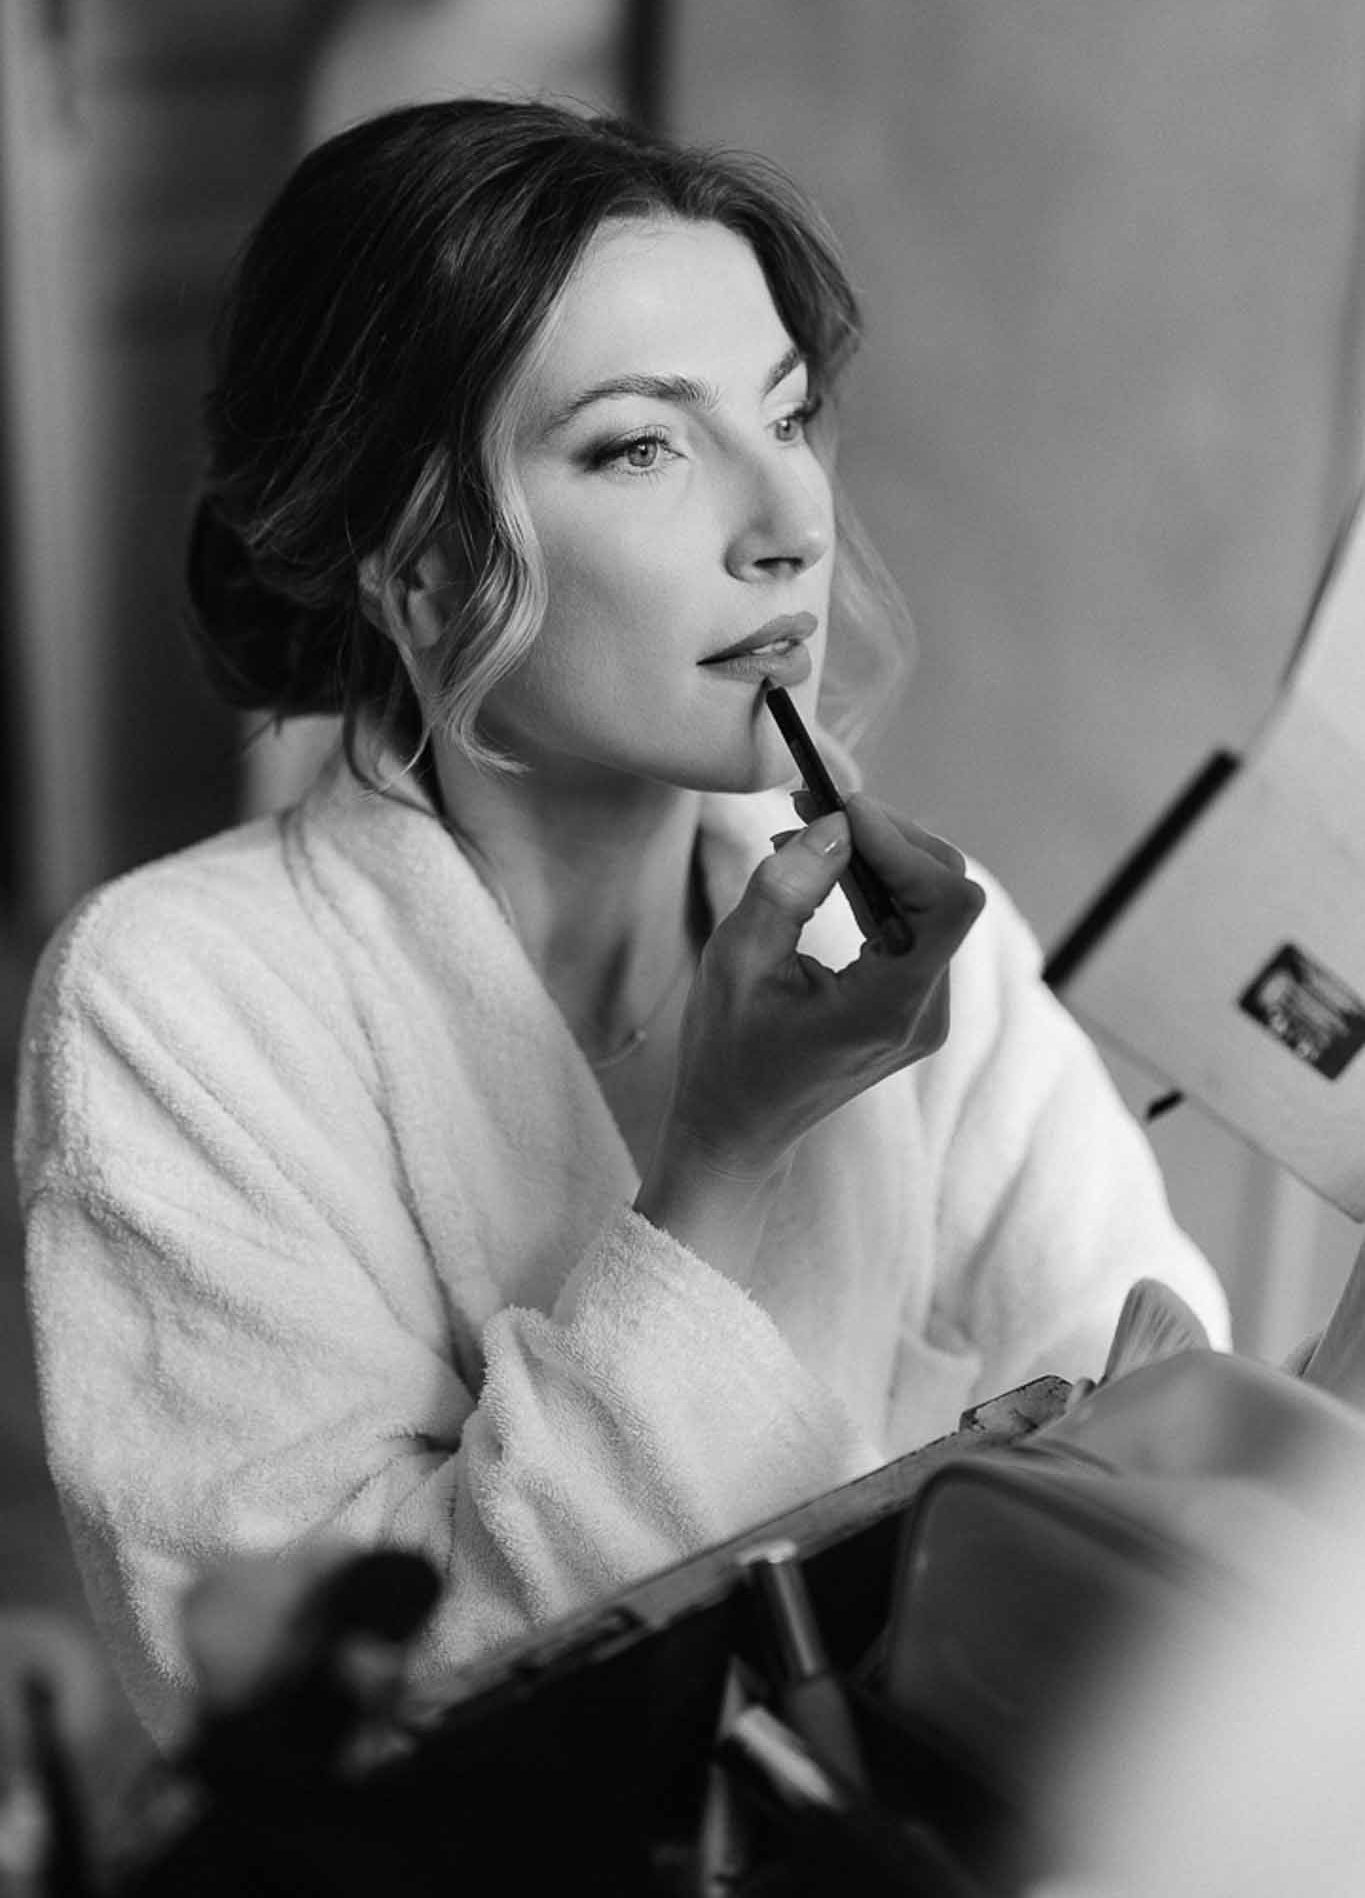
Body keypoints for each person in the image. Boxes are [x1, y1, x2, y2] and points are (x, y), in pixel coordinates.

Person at [13, 98, 1228, 1743]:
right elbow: (325, 1721)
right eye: (640, 445)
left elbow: (1162, 1444)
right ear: (425, 570)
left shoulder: (930, 953)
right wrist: (722, 1166)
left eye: (785, 419)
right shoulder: (175, 1003)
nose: (785, 523)